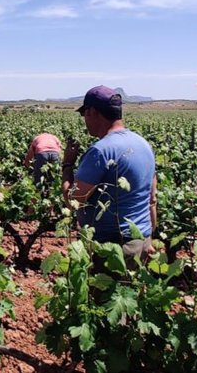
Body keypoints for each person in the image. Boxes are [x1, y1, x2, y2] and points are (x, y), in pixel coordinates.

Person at [61, 85, 157, 265]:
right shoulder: (143, 144)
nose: (84, 120)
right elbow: (152, 199)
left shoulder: (101, 151)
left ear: (92, 112)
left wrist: (67, 164)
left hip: (113, 248)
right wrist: (150, 238)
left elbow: (74, 200)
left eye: (84, 114)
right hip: (142, 241)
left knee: (105, 293)